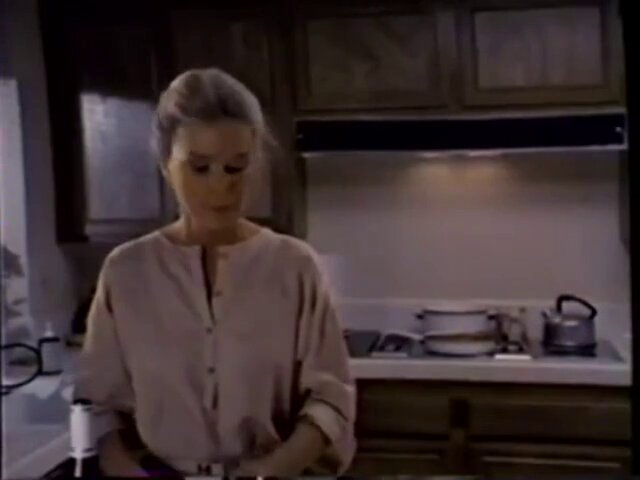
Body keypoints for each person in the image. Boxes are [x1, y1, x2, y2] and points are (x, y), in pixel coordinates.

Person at [75, 67, 356, 477]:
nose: (221, 186)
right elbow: (100, 409)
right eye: (200, 167)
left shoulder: (296, 266)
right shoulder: (125, 272)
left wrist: (267, 472)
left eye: (237, 167)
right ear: (165, 165)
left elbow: (330, 401)